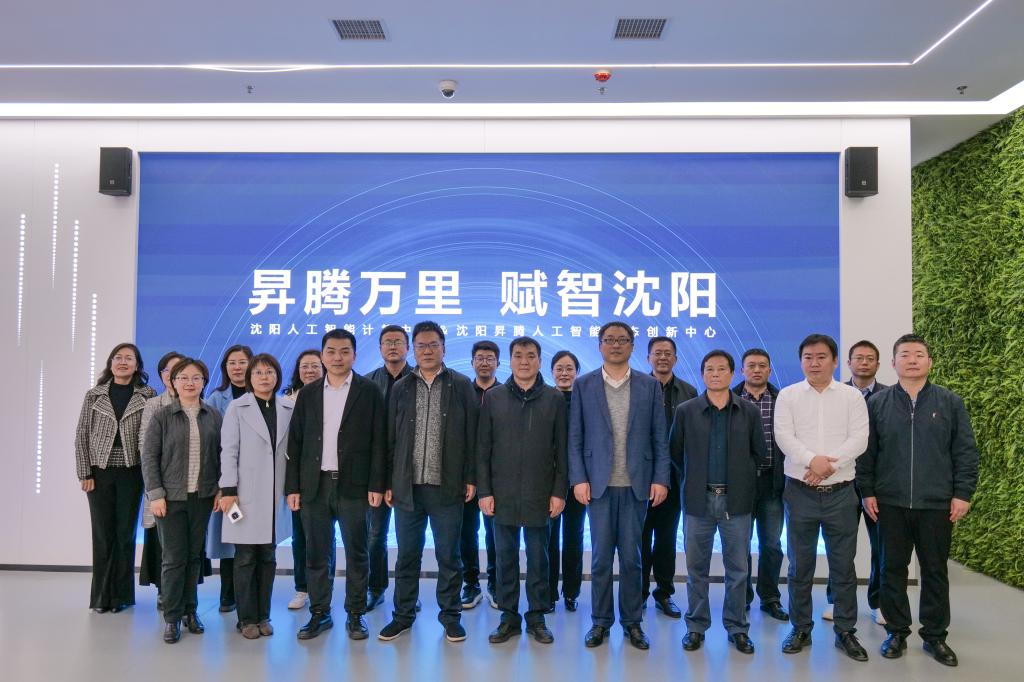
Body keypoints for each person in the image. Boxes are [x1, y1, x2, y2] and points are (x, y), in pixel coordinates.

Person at [857, 334, 979, 667]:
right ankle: (896, 632)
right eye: (905, 354)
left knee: (935, 571)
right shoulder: (877, 404)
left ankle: (935, 636)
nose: (912, 359)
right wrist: (867, 491)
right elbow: (867, 454)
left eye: (919, 354)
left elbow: (965, 452)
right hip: (890, 503)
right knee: (891, 569)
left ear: (929, 362)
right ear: (893, 363)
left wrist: (962, 493)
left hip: (936, 504)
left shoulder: (950, 402)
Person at [568, 321, 670, 651]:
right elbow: (575, 437)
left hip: (636, 485)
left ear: (632, 346)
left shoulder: (649, 386)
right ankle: (600, 622)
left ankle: (632, 622)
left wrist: (660, 478)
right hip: (598, 485)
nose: (615, 345)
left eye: (622, 340)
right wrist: (578, 478)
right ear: (599, 345)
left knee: (632, 559)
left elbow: (659, 437)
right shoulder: (584, 385)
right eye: (609, 339)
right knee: (600, 560)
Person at [379, 321, 478, 643]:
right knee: (407, 556)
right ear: (413, 349)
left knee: (449, 556)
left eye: (433, 345)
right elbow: (390, 439)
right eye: (421, 345)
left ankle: (451, 617)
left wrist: (471, 477)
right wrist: (389, 481)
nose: (427, 351)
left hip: (447, 487)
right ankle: (402, 616)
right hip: (407, 488)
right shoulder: (401, 387)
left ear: (444, 348)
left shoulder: (461, 385)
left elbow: (473, 437)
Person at [285, 330, 386, 641]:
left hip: (354, 486)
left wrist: (376, 483)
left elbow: (379, 441)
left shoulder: (369, 391)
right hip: (314, 486)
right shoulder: (309, 393)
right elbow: (295, 442)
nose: (337, 357)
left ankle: (356, 614)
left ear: (354, 355)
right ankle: (320, 613)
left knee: (357, 553)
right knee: (317, 554)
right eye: (331, 351)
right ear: (322, 355)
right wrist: (293, 487)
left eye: (344, 351)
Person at [774, 334, 870, 661]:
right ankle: (800, 627)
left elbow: (860, 438)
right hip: (799, 492)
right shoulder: (788, 395)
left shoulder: (851, 396)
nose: (814, 363)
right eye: (808, 357)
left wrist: (828, 466)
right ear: (801, 361)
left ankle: (846, 631)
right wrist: (811, 461)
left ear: (834, 360)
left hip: (841, 494)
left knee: (843, 566)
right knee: (800, 565)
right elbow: (784, 436)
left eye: (821, 357)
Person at [671, 350, 767, 655]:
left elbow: (759, 454)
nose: (715, 374)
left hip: (735, 501)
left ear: (732, 374)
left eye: (721, 369)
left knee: (737, 569)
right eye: (709, 369)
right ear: (702, 375)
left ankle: (737, 628)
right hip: (698, 501)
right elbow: (676, 453)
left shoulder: (748, 411)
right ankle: (696, 626)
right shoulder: (686, 411)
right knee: (696, 569)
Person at [478, 337, 567, 645]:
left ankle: (537, 617)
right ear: (510, 360)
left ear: (540, 360)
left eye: (531, 355)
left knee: (539, 558)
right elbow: (483, 449)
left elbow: (562, 451)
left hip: (541, 493)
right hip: (501, 493)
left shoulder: (554, 399)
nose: (524, 361)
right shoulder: (494, 397)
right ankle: (509, 617)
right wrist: (485, 491)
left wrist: (559, 492)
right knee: (504, 558)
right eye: (518, 355)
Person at [141, 358, 223, 644]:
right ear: (173, 382)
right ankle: (172, 617)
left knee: (193, 557)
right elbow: (149, 457)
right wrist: (155, 494)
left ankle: (191, 611)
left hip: (202, 497)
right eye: (183, 377)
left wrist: (220, 489)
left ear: (204, 382)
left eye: (196, 377)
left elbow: (221, 456)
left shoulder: (213, 415)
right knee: (174, 558)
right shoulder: (162, 416)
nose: (190, 382)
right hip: (170, 499)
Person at [75, 342, 156, 614]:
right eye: (118, 358)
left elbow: (151, 437)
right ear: (110, 363)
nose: (123, 362)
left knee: (125, 534)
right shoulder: (94, 395)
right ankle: (101, 597)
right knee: (102, 534)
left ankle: (121, 596)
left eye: (129, 358)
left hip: (133, 472)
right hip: (99, 472)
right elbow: (82, 435)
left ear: (137, 365)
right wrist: (85, 471)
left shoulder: (147, 395)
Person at [219, 353, 294, 639]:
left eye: (269, 372)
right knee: (245, 557)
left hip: (275, 493)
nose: (264, 377)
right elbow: (229, 451)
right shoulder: (237, 407)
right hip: (244, 493)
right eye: (259, 373)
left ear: (277, 376)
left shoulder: (287, 407)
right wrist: (228, 489)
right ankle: (246, 619)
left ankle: (264, 616)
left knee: (268, 556)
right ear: (250, 378)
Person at [823, 339, 888, 625]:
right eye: (858, 358)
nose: (864, 362)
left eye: (870, 358)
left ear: (878, 364)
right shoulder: (834, 395)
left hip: (878, 484)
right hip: (842, 481)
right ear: (848, 363)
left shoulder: (890, 396)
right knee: (840, 547)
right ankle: (836, 600)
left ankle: (879, 602)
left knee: (882, 547)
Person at [733, 348, 788, 622]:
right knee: (740, 544)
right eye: (751, 365)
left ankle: (770, 598)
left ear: (769, 370)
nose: (756, 370)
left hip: (772, 482)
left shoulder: (782, 400)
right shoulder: (729, 398)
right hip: (740, 485)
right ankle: (741, 598)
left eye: (762, 366)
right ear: (742, 370)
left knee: (772, 544)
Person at [643, 336, 697, 619]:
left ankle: (664, 593)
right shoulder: (638, 387)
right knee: (639, 539)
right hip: (640, 478)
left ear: (675, 359)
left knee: (666, 540)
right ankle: (638, 593)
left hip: (675, 480)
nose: (662, 357)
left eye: (668, 353)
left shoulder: (689, 392)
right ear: (648, 358)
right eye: (657, 353)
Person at [364, 325, 413, 611]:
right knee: (375, 536)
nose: (393, 346)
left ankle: (408, 595)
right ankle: (376, 588)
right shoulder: (368, 383)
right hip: (376, 472)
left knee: (409, 540)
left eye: (398, 342)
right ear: (380, 348)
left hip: (410, 470)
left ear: (407, 347)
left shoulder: (419, 380)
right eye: (387, 342)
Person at [281, 349, 330, 612]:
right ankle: (302, 588)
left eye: (314, 366)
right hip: (300, 480)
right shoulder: (286, 401)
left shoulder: (334, 396)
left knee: (326, 539)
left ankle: (324, 589)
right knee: (300, 537)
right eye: (304, 366)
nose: (309, 371)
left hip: (330, 478)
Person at [205, 344, 253, 613]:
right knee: (231, 538)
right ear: (225, 368)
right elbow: (212, 447)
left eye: (242, 362)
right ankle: (228, 595)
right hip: (228, 483)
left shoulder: (263, 395)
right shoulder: (216, 399)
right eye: (232, 363)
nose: (237, 367)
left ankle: (250, 595)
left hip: (255, 483)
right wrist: (220, 486)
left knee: (252, 539)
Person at [138, 351, 184, 610]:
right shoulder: (154, 405)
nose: (174, 375)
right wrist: (156, 487)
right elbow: (145, 448)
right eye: (168, 371)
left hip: (189, 486)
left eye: (180, 371)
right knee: (160, 541)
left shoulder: (199, 404)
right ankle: (164, 592)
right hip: (161, 485)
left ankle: (186, 597)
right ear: (162, 376)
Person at [461, 340, 500, 609]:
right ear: (472, 362)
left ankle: (496, 583)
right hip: (465, 475)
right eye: (479, 358)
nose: (484, 362)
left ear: (497, 362)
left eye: (489, 358)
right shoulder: (462, 392)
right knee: (466, 532)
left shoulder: (506, 392)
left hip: (497, 477)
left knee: (495, 533)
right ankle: (471, 583)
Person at [546, 350, 586, 612]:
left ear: (577, 372)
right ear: (552, 372)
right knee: (548, 539)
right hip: (548, 482)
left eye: (569, 368)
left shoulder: (586, 401)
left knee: (574, 537)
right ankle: (549, 593)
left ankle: (571, 592)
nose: (564, 373)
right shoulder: (545, 399)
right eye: (559, 368)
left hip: (578, 481)